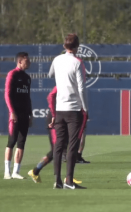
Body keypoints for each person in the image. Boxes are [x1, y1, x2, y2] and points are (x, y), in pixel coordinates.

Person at [49, 33, 88, 189]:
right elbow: (82, 88)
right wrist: (85, 107)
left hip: (59, 109)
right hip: (73, 109)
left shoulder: (57, 60)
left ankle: (57, 180)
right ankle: (69, 181)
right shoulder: (78, 62)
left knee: (59, 145)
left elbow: (50, 74)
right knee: (72, 145)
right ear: (77, 47)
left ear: (64, 46)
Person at [27, 87, 83, 184]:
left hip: (65, 116)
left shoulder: (73, 83)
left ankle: (68, 177)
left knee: (65, 147)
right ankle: (36, 171)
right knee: (57, 149)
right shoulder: (63, 82)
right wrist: (54, 114)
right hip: (56, 118)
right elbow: (51, 96)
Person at [3, 52, 33, 180]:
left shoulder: (27, 78)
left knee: (21, 143)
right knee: (12, 141)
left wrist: (30, 114)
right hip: (14, 114)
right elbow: (7, 95)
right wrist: (12, 111)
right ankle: (6, 172)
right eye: (27, 60)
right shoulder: (12, 74)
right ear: (20, 62)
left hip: (25, 114)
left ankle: (16, 171)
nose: (29, 62)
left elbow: (28, 97)